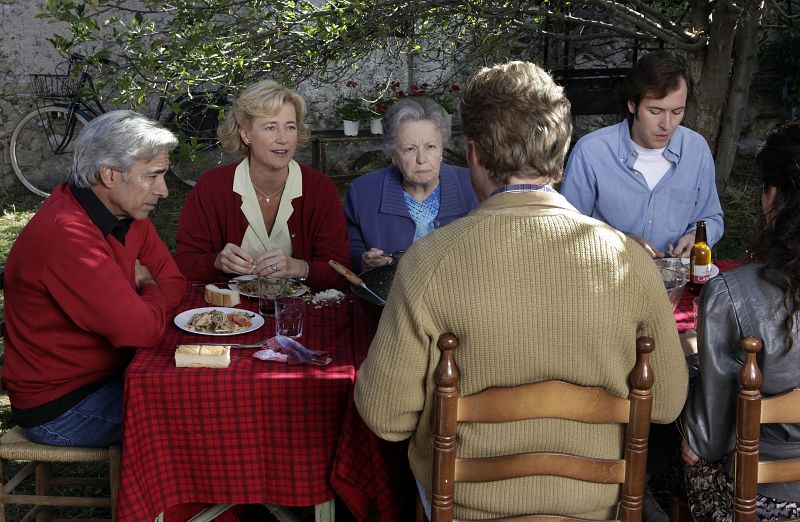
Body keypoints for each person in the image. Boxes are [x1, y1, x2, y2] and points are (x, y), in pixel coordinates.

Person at [354, 61, 688, 520]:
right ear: (562, 150)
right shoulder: (629, 261)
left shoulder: (428, 263)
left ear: (474, 155)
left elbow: (386, 417)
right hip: (597, 509)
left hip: (467, 509)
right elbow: (666, 403)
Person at [2, 110, 186, 447]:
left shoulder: (128, 213)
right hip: (63, 405)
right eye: (153, 176)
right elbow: (141, 330)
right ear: (110, 174)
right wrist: (147, 286)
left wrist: (142, 301)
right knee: (197, 418)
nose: (164, 191)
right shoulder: (67, 233)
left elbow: (174, 284)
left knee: (209, 395)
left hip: (115, 374)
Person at [680, 120, 800, 521]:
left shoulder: (731, 293)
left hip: (760, 500)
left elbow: (710, 440)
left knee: (693, 451)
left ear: (774, 196)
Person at [174, 80, 350, 288]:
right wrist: (216, 262)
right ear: (246, 134)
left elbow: (341, 271)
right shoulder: (212, 186)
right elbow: (183, 262)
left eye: (290, 127)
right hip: (230, 307)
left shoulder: (320, 189)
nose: (283, 139)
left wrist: (300, 268)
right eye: (270, 128)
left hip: (302, 307)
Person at [560, 51, 723, 258]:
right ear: (632, 105)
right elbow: (567, 228)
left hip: (677, 275)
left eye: (677, 112)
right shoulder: (591, 152)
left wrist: (696, 237)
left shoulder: (696, 150)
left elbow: (711, 217)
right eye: (655, 111)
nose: (666, 125)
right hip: (608, 273)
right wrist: (619, 241)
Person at [343, 97, 478, 272]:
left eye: (430, 147)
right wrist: (365, 261)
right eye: (409, 149)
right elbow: (350, 254)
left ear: (441, 150)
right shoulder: (363, 193)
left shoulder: (473, 185)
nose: (421, 159)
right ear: (393, 155)